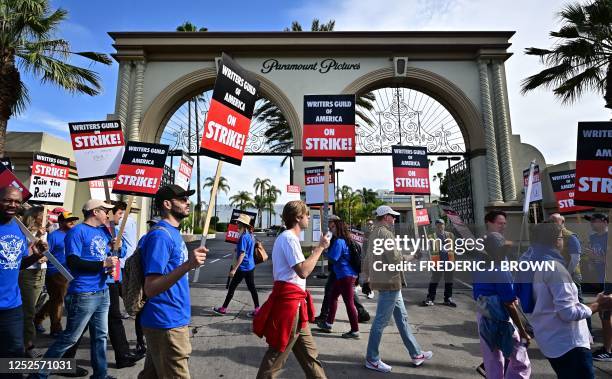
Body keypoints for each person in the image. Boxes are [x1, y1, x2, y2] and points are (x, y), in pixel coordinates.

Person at [36, 199, 120, 379]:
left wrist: (113, 252)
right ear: (95, 212)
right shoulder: (77, 232)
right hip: (83, 293)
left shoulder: (103, 232)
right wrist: (102, 263)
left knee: (100, 336)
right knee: (70, 338)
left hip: (102, 290)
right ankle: (39, 374)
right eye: (106, 210)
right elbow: (73, 263)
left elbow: (106, 257)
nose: (108, 214)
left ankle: (101, 374)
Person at [517, 223, 612, 379]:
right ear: (556, 241)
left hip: (549, 340)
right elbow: (568, 312)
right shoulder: (554, 268)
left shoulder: (527, 260)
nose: (564, 241)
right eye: (561, 237)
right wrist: (598, 305)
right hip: (569, 344)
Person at [254, 200, 330, 379]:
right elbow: (303, 271)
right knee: (275, 357)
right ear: (298, 217)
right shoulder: (289, 238)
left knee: (310, 357)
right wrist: (319, 248)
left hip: (295, 305)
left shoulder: (287, 238)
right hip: (290, 306)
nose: (309, 218)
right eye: (307, 215)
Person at [138, 185, 207, 379]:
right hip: (166, 322)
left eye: (187, 199)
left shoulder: (172, 232)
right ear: (167, 204)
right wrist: (188, 265)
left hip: (169, 320)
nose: (188, 202)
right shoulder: (161, 236)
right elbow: (150, 288)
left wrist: (188, 264)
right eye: (183, 199)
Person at [361, 205, 433, 373]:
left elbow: (366, 259)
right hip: (390, 283)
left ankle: (416, 354)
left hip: (386, 282)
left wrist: (367, 277)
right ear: (385, 216)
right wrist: (413, 257)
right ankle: (372, 358)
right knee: (380, 322)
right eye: (392, 216)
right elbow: (396, 260)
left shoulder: (373, 234)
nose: (394, 219)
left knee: (402, 319)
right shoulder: (385, 234)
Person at [473, 210, 531, 379]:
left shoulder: (483, 257)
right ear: (488, 223)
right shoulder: (495, 263)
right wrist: (522, 329)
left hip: (484, 307)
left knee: (492, 357)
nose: (503, 226)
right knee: (519, 360)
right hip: (499, 309)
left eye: (504, 223)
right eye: (500, 223)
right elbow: (509, 302)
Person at [0, 187, 47, 378]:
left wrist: (36, 256)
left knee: (13, 358)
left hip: (12, 306)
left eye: (17, 202)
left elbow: (16, 264)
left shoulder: (18, 228)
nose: (13, 205)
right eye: (7, 200)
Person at [106, 200, 143, 368]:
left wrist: (117, 248)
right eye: (119, 213)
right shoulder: (94, 231)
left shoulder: (115, 228)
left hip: (115, 276)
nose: (121, 217)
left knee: (114, 319)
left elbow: (119, 252)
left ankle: (122, 356)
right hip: (97, 284)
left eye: (122, 213)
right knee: (76, 330)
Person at [315, 216, 370, 324]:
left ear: (336, 224)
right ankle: (360, 313)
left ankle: (328, 318)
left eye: (331, 224)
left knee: (338, 295)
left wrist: (323, 250)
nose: (330, 227)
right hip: (345, 271)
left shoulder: (338, 238)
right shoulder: (342, 236)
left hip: (342, 271)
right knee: (341, 295)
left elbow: (334, 257)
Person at [34, 211, 79, 338]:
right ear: (60, 222)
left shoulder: (74, 234)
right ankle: (56, 328)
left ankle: (37, 319)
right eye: (69, 220)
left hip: (70, 272)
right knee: (58, 301)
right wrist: (42, 259)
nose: (72, 222)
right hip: (56, 272)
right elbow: (46, 253)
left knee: (56, 300)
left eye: (74, 219)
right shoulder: (54, 236)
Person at [549, 213, 591, 333]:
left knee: (578, 303)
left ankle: (588, 332)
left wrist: (566, 274)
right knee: (563, 304)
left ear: (562, 222)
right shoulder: (552, 236)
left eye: (555, 221)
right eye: (550, 221)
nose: (552, 224)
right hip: (559, 275)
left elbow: (575, 258)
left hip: (571, 274)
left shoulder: (570, 236)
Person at [213, 213, 259, 316]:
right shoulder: (251, 235)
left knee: (232, 287)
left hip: (242, 267)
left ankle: (223, 309)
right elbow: (247, 250)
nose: (236, 224)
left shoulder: (243, 237)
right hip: (250, 266)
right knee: (252, 288)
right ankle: (257, 309)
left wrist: (234, 269)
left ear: (242, 224)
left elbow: (242, 255)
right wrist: (238, 249)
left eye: (238, 222)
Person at [20, 206, 48, 357]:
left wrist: (44, 256)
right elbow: (24, 253)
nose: (47, 217)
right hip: (28, 273)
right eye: (43, 215)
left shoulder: (45, 232)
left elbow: (44, 252)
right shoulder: (25, 232)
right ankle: (28, 345)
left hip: (41, 271)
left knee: (34, 308)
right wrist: (37, 235)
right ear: (35, 216)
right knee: (28, 311)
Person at [585, 213, 611, 362]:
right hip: (602, 279)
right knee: (605, 313)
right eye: (591, 221)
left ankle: (608, 350)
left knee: (605, 312)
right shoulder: (593, 238)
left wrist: (596, 258)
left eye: (595, 220)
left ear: (605, 222)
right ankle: (607, 348)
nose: (592, 223)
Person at [422, 219, 457, 307]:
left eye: (441, 225)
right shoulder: (431, 236)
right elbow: (427, 248)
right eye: (438, 225)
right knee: (434, 281)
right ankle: (430, 298)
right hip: (437, 262)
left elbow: (454, 247)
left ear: (444, 225)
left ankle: (448, 298)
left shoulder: (450, 235)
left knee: (449, 281)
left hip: (449, 262)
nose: (440, 227)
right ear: (436, 226)